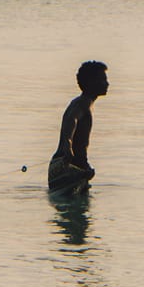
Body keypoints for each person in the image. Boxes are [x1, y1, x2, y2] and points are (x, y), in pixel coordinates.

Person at [48, 61, 109, 196]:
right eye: (102, 79)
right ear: (90, 82)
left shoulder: (80, 102)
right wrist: (67, 147)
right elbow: (71, 120)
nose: (107, 83)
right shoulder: (83, 103)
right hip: (68, 163)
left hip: (65, 163)